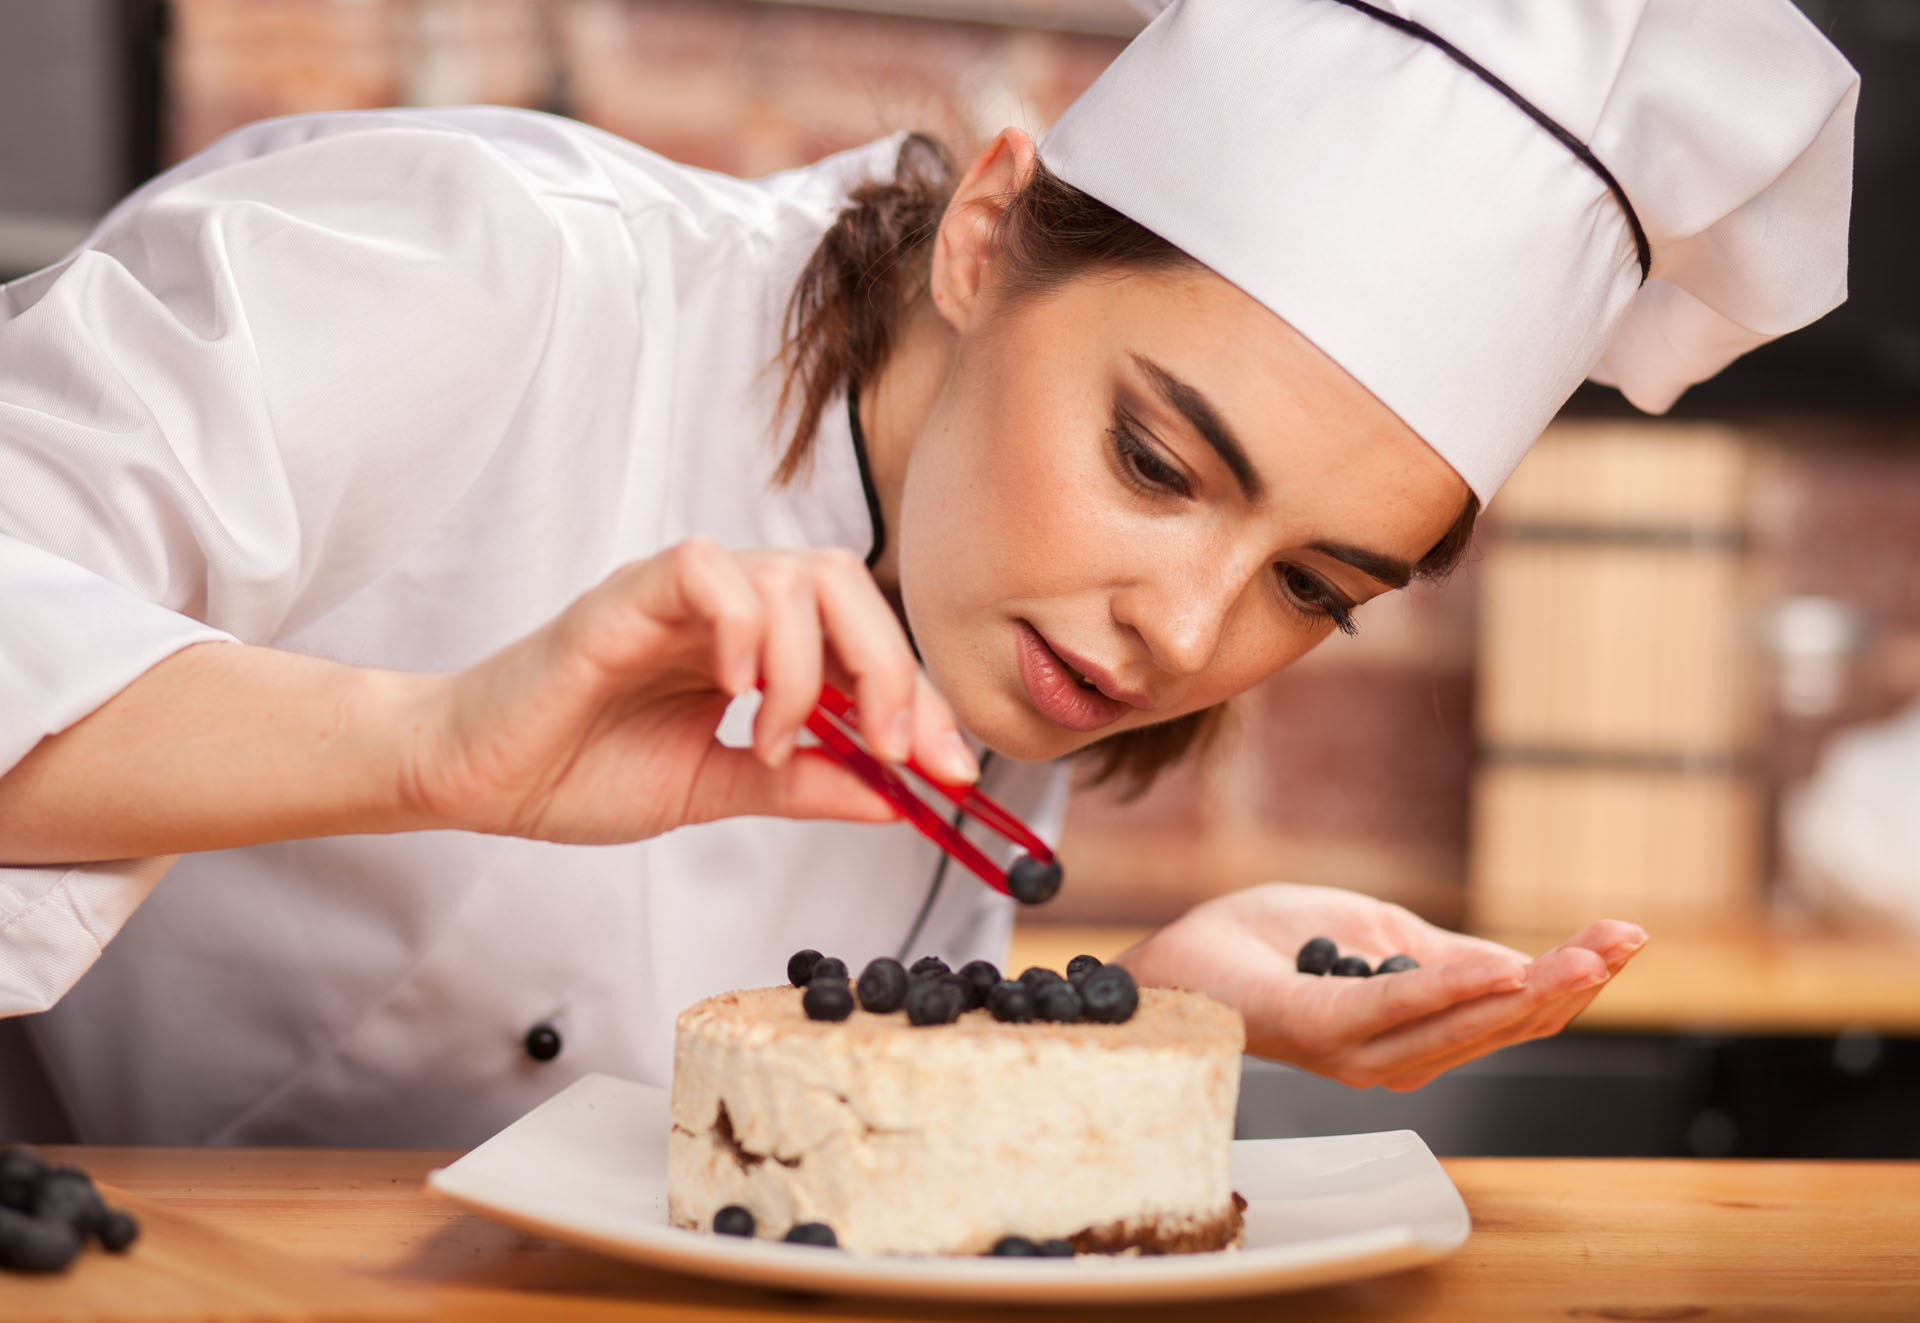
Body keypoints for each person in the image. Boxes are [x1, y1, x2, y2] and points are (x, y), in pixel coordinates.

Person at [0, 0, 1855, 1144]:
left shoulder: (994, 606)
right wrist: (436, 744)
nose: (1188, 630)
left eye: (1316, 586)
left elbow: (707, 1130)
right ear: (985, 234)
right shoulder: (474, 272)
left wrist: (1141, 1003)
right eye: (1153, 460)